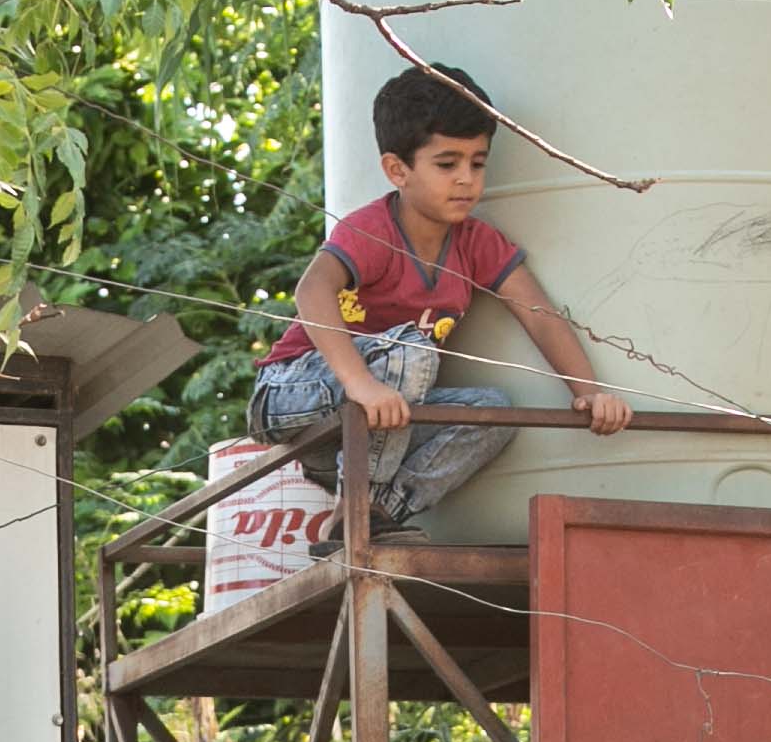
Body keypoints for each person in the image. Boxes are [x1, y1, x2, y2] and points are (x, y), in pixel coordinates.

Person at [249, 62, 630, 542]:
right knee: (409, 352)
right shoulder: (374, 230)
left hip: (377, 429)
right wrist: (361, 385)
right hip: (294, 393)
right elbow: (312, 289)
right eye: (447, 164)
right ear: (397, 169)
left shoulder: (476, 243)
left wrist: (588, 391)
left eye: (478, 162)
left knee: (492, 412)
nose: (466, 180)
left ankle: (375, 513)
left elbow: (540, 315)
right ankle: (353, 507)